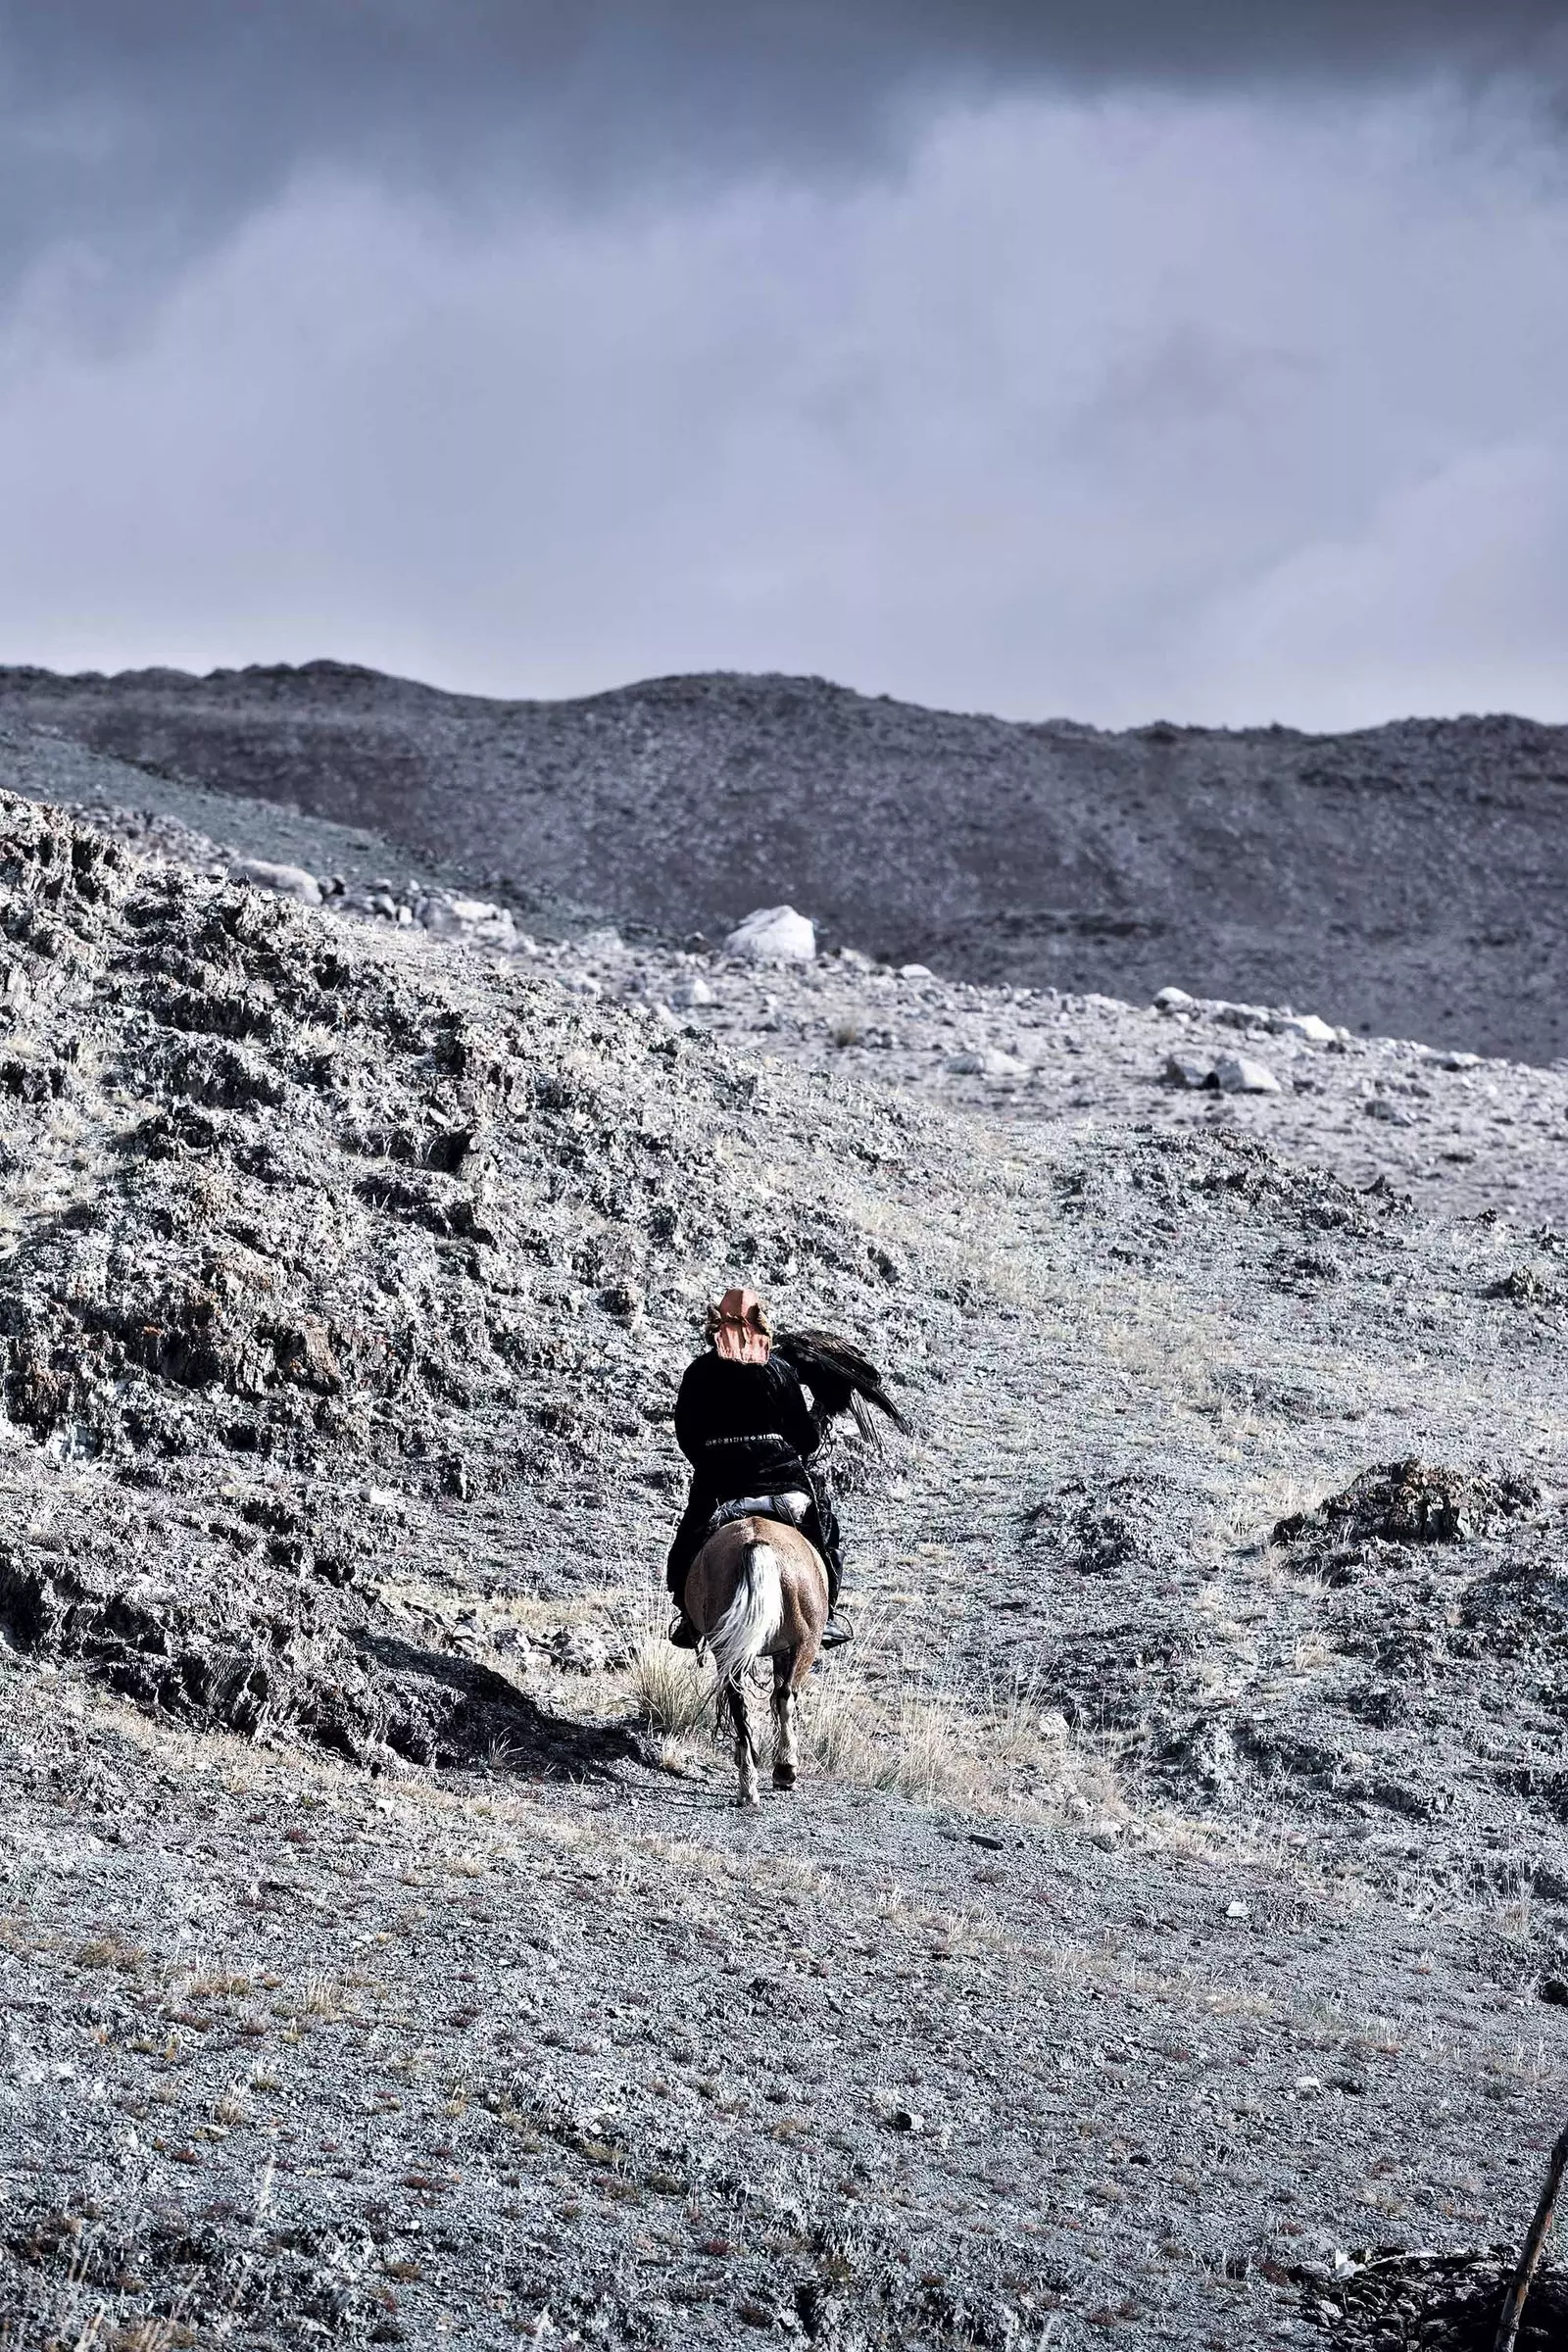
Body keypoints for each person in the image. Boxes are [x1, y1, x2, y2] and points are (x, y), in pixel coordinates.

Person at [665, 1287, 851, 1649]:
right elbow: (806, 1440)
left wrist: (710, 1461)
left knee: (687, 1542)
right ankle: (825, 1616)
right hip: (784, 1482)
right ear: (761, 1322)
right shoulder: (780, 1371)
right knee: (824, 1530)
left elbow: (686, 1434)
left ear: (715, 1324)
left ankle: (687, 1619)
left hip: (720, 1483)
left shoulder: (699, 1372)